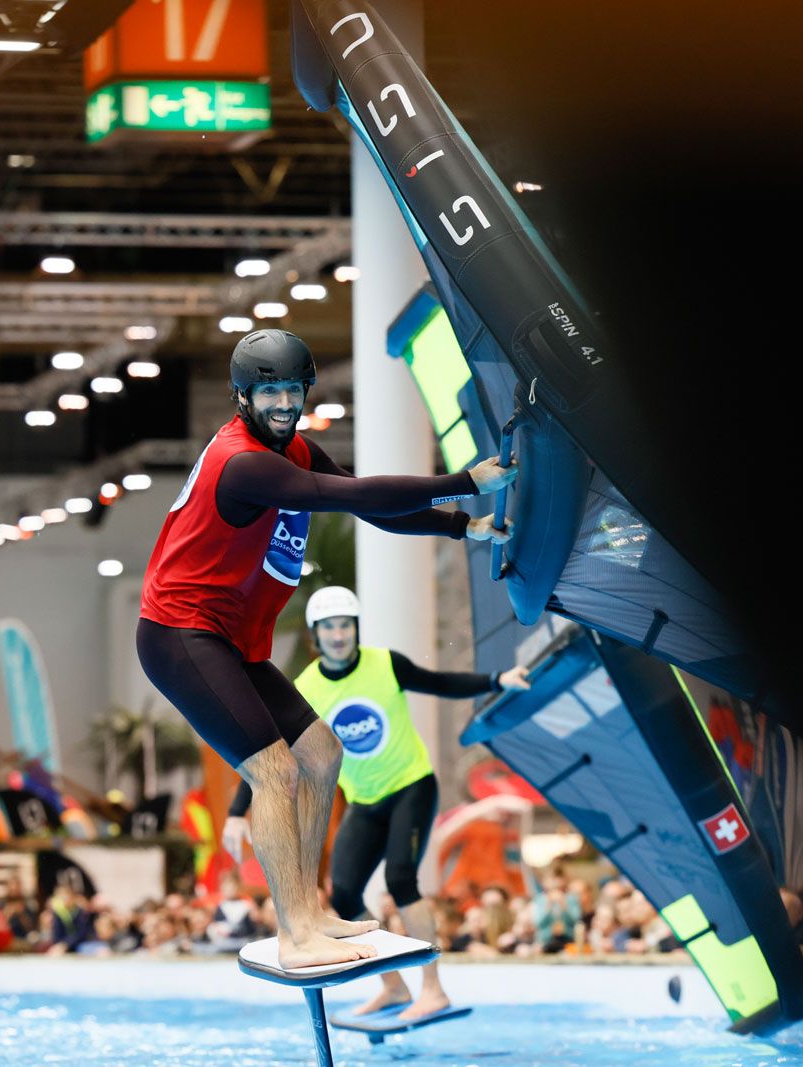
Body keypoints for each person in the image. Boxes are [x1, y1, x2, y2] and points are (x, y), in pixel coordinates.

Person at [137, 329, 517, 970]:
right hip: (181, 633)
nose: (285, 403)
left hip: (232, 639)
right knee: (274, 771)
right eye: (270, 393)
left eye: (294, 389)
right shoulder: (244, 463)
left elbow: (372, 506)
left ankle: (309, 913)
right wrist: (462, 482)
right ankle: (295, 933)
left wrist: (462, 525)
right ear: (242, 397)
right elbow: (350, 497)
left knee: (320, 752)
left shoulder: (294, 450)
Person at [224, 584, 530, 1016]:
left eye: (345, 625)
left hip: (411, 786)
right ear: (315, 634)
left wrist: (498, 680)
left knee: (401, 880)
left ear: (356, 628)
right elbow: (269, 750)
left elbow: (439, 682)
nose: (338, 635)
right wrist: (236, 812)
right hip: (364, 802)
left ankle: (434, 990)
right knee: (345, 893)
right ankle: (395, 987)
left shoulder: (386, 664)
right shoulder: (305, 686)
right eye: (329, 627)